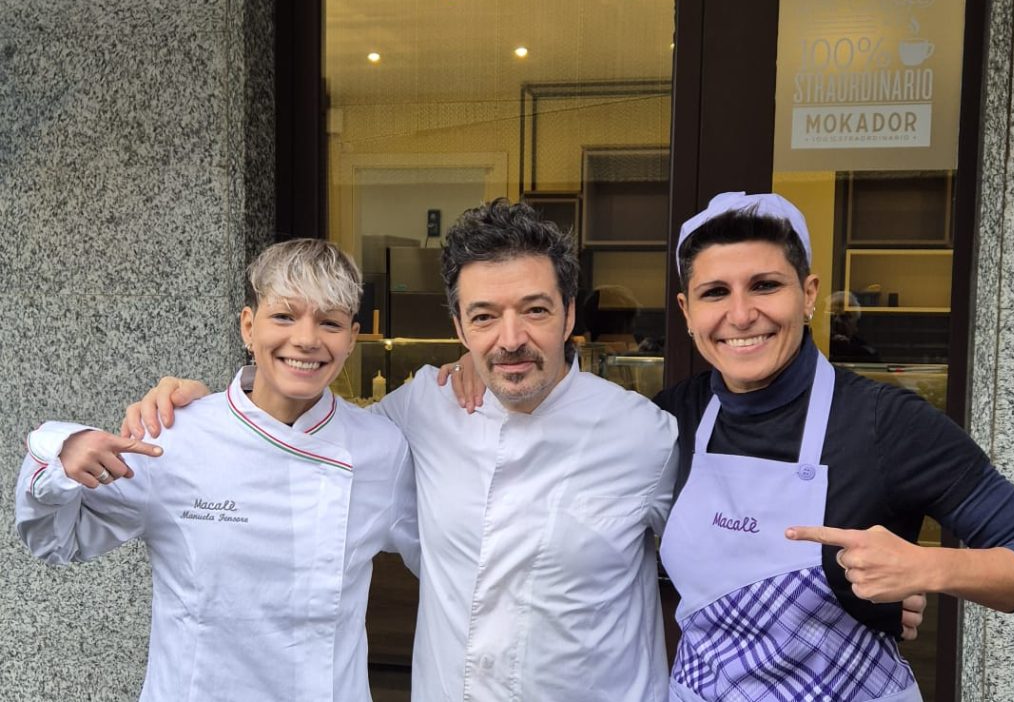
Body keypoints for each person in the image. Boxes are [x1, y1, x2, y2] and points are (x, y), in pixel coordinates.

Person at [121, 201, 680, 702]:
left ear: (570, 315)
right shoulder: (421, 408)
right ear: (459, 326)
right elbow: (303, 438)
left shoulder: (646, 436)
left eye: (535, 311)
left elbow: (707, 575)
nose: (510, 338)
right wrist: (212, 409)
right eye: (484, 316)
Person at [654, 191, 1014, 702]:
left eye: (765, 285)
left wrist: (926, 567)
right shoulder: (669, 420)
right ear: (686, 311)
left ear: (808, 295)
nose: (741, 315)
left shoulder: (884, 422)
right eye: (715, 292)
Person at [16, 238, 418, 702]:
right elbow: (55, 541)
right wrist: (63, 454)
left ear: (351, 338)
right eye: (284, 316)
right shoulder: (173, 435)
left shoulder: (381, 449)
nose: (306, 339)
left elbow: (450, 559)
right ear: (248, 327)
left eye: (328, 322)